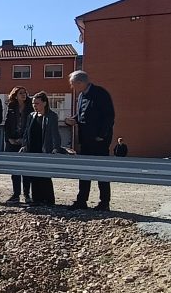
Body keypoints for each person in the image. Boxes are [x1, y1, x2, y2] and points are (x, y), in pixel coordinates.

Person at [64, 70, 115, 210]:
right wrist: (72, 120)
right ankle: (82, 200)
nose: (72, 87)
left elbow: (109, 116)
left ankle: (104, 202)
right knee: (84, 170)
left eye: (73, 84)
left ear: (80, 82)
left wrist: (102, 135)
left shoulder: (100, 94)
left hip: (99, 141)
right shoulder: (81, 96)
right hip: (85, 140)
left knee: (101, 171)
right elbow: (81, 116)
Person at [21, 91, 61, 206]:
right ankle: (36, 199)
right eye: (34, 103)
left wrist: (55, 148)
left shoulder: (51, 116)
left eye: (37, 103)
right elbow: (26, 132)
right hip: (32, 149)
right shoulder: (31, 116)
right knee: (33, 174)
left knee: (45, 175)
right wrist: (24, 145)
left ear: (44, 103)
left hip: (44, 149)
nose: (35, 106)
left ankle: (48, 200)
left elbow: (55, 134)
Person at [3, 86, 32, 205]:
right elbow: (7, 125)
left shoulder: (30, 107)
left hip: (26, 142)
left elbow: (31, 126)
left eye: (25, 93)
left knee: (26, 169)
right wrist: (10, 139)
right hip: (12, 142)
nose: (23, 95)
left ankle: (27, 194)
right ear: (15, 95)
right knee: (14, 169)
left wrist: (24, 140)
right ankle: (16, 195)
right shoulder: (11, 107)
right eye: (21, 93)